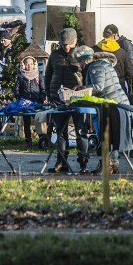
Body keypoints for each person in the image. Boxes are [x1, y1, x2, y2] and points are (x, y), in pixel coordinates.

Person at [73, 45, 130, 175]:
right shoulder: (104, 64)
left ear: (85, 59)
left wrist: (80, 89)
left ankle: (106, 164)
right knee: (113, 135)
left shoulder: (95, 67)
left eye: (80, 61)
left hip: (111, 106)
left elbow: (98, 87)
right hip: (120, 104)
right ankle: (113, 163)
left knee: (105, 135)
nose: (80, 65)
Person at [44, 28, 85, 173]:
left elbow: (87, 77)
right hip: (57, 99)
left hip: (77, 99)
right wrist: (48, 93)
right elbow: (48, 75)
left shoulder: (82, 55)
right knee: (60, 132)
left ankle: (83, 164)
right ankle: (61, 162)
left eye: (68, 44)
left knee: (81, 132)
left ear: (75, 42)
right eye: (63, 44)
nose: (66, 47)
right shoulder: (54, 55)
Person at [95, 25, 133, 96]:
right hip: (118, 89)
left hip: (99, 89)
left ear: (103, 34)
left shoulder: (94, 50)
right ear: (114, 35)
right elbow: (130, 73)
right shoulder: (122, 52)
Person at [15, 55, 46, 149]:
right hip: (25, 104)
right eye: (27, 64)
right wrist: (21, 100)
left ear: (34, 65)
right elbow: (16, 90)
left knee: (39, 121)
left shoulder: (38, 75)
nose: (29, 66)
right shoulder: (21, 76)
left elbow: (43, 89)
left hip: (36, 103)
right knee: (26, 122)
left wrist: (41, 99)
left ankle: (43, 140)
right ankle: (28, 141)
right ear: (23, 65)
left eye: (31, 64)